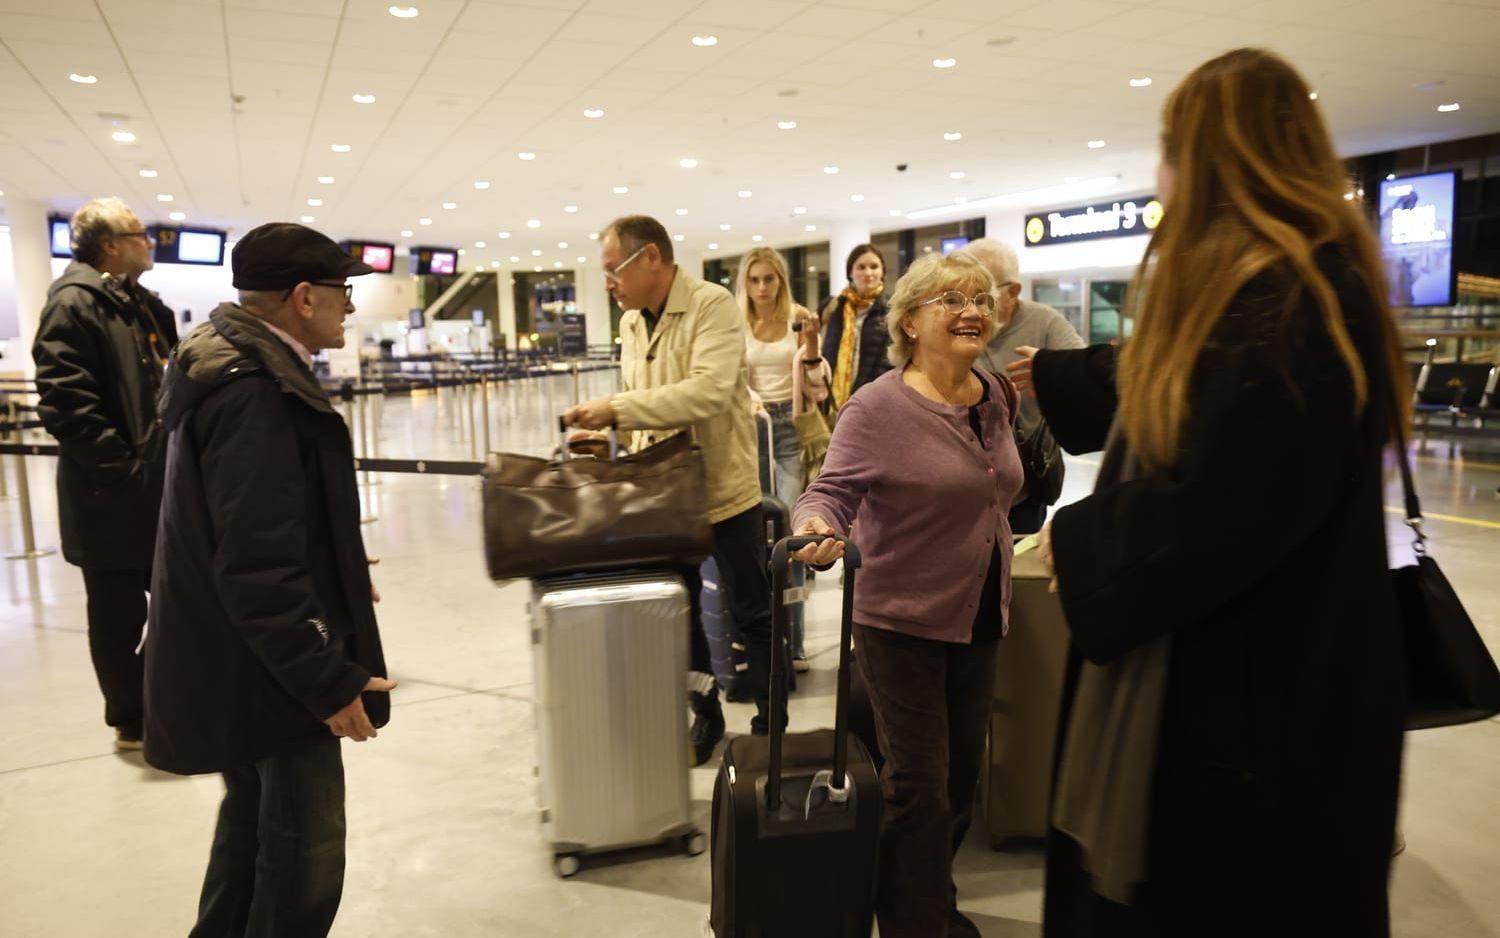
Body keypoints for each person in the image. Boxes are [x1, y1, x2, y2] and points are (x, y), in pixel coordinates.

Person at [1012, 48, 1411, 936]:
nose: (1159, 176)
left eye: (1169, 148)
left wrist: (1074, 545)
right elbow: (1180, 392)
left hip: (1253, 723)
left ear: (1213, 158)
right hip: (1270, 696)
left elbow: (1218, 507)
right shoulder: (1287, 285)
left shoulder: (1289, 299)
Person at [143, 223, 396, 937]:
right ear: (304, 297)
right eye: (342, 292)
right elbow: (254, 565)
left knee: (251, 832)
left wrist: (333, 561)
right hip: (269, 672)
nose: (350, 306)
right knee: (303, 859)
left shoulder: (225, 364)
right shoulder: (253, 390)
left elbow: (244, 524)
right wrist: (324, 677)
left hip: (236, 656)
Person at [792, 252, 1023, 938]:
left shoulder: (995, 393)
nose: (970, 309)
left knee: (956, 784)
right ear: (911, 322)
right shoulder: (878, 407)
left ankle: (920, 897)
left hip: (980, 613)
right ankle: (915, 923)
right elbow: (830, 492)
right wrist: (816, 527)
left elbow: (999, 488)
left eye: (978, 297)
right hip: (900, 622)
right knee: (918, 787)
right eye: (949, 299)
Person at [564, 215, 775, 766]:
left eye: (613, 271)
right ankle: (706, 714)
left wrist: (616, 409)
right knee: (677, 612)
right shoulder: (633, 322)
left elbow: (705, 393)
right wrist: (610, 434)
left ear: (650, 258)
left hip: (724, 491)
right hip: (663, 496)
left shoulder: (713, 306)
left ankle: (771, 727)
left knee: (751, 610)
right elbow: (644, 396)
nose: (608, 284)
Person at [32, 196, 178, 751]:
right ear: (111, 246)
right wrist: (121, 470)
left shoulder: (141, 305)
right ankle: (130, 716)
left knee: (180, 596)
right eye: (140, 234)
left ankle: (156, 694)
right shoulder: (74, 304)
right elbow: (66, 401)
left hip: (156, 488)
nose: (151, 242)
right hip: (110, 494)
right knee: (118, 616)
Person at [738, 246, 830, 671]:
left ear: (780, 279)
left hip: (791, 431)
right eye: (754, 279)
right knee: (755, 537)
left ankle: (795, 641)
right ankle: (761, 641)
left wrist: (811, 344)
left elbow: (818, 386)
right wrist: (749, 399)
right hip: (753, 431)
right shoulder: (738, 321)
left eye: (768, 279)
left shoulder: (798, 316)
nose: (761, 288)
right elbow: (733, 379)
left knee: (792, 536)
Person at [957, 238, 1085, 534]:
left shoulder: (1045, 323)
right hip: (958, 486)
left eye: (980, 292)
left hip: (1022, 489)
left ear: (1012, 291)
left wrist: (1050, 376)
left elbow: (1084, 379)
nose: (969, 306)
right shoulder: (955, 323)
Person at [821, 243, 891, 415]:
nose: (868, 273)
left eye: (874, 267)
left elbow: (889, 363)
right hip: (832, 399)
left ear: (882, 272)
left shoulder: (891, 310)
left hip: (873, 402)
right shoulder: (834, 307)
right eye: (861, 267)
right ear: (850, 273)